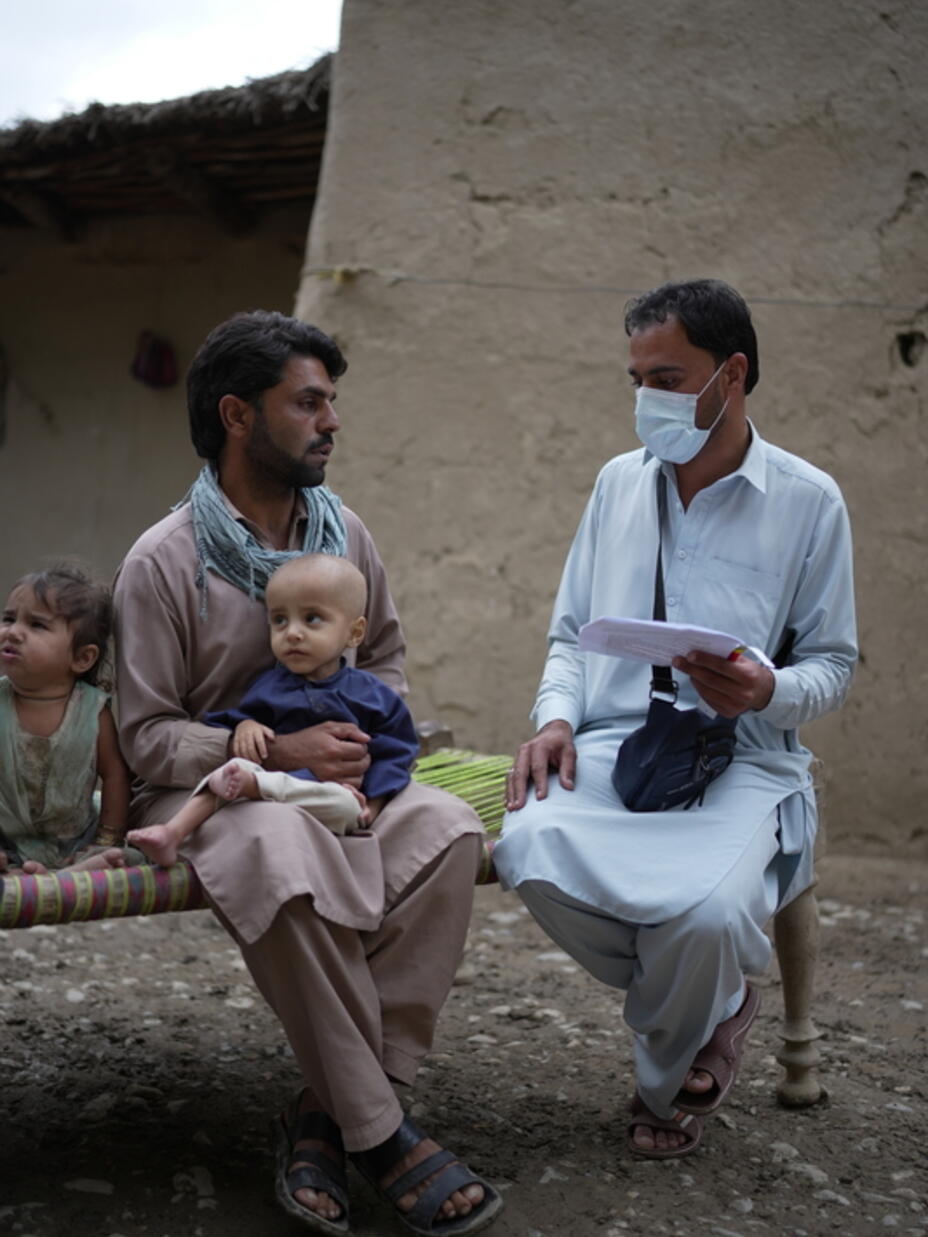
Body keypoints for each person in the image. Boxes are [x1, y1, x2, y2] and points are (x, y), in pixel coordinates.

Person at [113, 310, 503, 1236]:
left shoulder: (344, 535)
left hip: (342, 786)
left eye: (332, 402)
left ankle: (325, 1112)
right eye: (310, 402)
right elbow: (146, 736)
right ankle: (381, 1134)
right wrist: (270, 754)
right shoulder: (162, 560)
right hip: (214, 791)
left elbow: (390, 663)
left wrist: (361, 752)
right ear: (239, 415)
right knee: (275, 844)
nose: (332, 421)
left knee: (447, 827)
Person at [495, 279, 857, 1159]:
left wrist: (766, 689)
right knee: (526, 848)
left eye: (667, 375)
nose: (645, 399)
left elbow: (835, 665)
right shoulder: (617, 484)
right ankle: (714, 1003)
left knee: (703, 920)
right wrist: (553, 721)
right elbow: (572, 635)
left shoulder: (811, 501)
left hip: (744, 761)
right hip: (617, 748)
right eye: (635, 378)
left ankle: (664, 1087)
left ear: (731, 375)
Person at [126, 553, 420, 866]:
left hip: (328, 796)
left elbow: (395, 753)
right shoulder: (271, 686)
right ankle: (171, 832)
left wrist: (372, 805)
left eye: (312, 619)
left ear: (355, 633)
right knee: (232, 772)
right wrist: (245, 727)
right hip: (268, 790)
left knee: (344, 805)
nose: (292, 632)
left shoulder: (372, 696)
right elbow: (231, 721)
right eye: (280, 620)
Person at [0, 563, 131, 874]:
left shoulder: (92, 711)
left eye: (36, 625)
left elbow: (115, 777)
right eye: (8, 618)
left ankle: (78, 865)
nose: (13, 631)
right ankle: (24, 868)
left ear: (82, 658)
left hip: (75, 838)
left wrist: (106, 838)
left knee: (121, 858)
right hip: (5, 836)